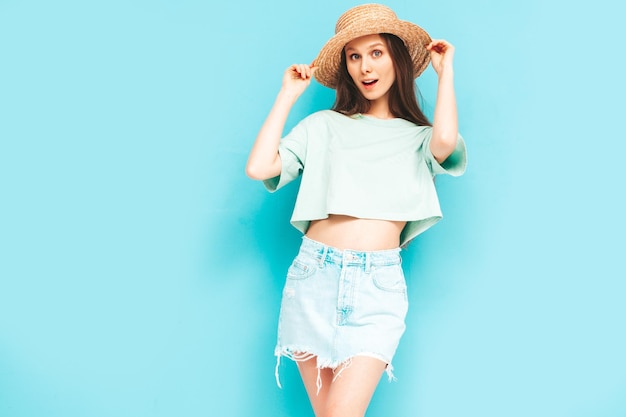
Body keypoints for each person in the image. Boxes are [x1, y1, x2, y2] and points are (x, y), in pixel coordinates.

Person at [246, 3, 467, 417]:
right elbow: (260, 167)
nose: (365, 67)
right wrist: (287, 95)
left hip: (376, 286)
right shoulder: (322, 126)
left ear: (398, 60)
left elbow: (445, 141)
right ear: (346, 66)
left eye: (377, 53)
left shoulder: (419, 139)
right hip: (313, 278)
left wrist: (446, 73)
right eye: (354, 56)